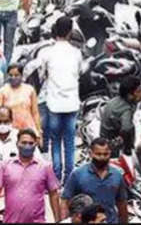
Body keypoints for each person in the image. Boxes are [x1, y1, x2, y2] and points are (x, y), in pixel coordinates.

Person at [28, 15, 82, 181]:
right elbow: (78, 73)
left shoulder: (47, 52)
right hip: (72, 102)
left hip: (54, 103)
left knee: (55, 142)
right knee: (70, 144)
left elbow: (42, 74)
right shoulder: (76, 53)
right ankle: (69, 178)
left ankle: (56, 177)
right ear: (70, 32)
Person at [0, 128, 62, 223]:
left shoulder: (45, 167)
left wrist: (57, 220)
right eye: (24, 143)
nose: (27, 146)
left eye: (31, 143)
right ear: (17, 144)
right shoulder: (5, 166)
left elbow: (54, 194)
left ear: (36, 144)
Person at [61, 138, 128, 224]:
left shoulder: (117, 175)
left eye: (105, 154)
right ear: (90, 153)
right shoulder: (78, 174)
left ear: (110, 153)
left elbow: (122, 203)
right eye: (98, 154)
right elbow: (65, 200)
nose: (102, 157)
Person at [99, 76, 141, 156]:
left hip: (104, 137)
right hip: (113, 146)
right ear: (129, 95)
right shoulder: (126, 110)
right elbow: (126, 129)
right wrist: (128, 148)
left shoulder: (115, 100)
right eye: (139, 91)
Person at [0, 63, 42, 137]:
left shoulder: (30, 90)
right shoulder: (2, 91)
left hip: (28, 129)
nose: (13, 77)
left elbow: (35, 113)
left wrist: (38, 131)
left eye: (16, 75)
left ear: (22, 76)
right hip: (9, 130)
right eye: (10, 75)